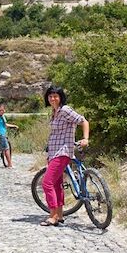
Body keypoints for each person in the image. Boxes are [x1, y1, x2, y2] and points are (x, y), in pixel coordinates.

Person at [41, 85, 89, 227]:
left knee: (46, 183)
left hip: (63, 152)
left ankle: (53, 216)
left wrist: (85, 138)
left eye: (55, 96)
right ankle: (60, 215)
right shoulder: (54, 112)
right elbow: (55, 135)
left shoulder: (65, 110)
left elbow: (83, 121)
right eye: (50, 96)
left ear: (60, 97)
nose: (52, 99)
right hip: (54, 152)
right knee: (56, 184)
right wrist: (49, 154)